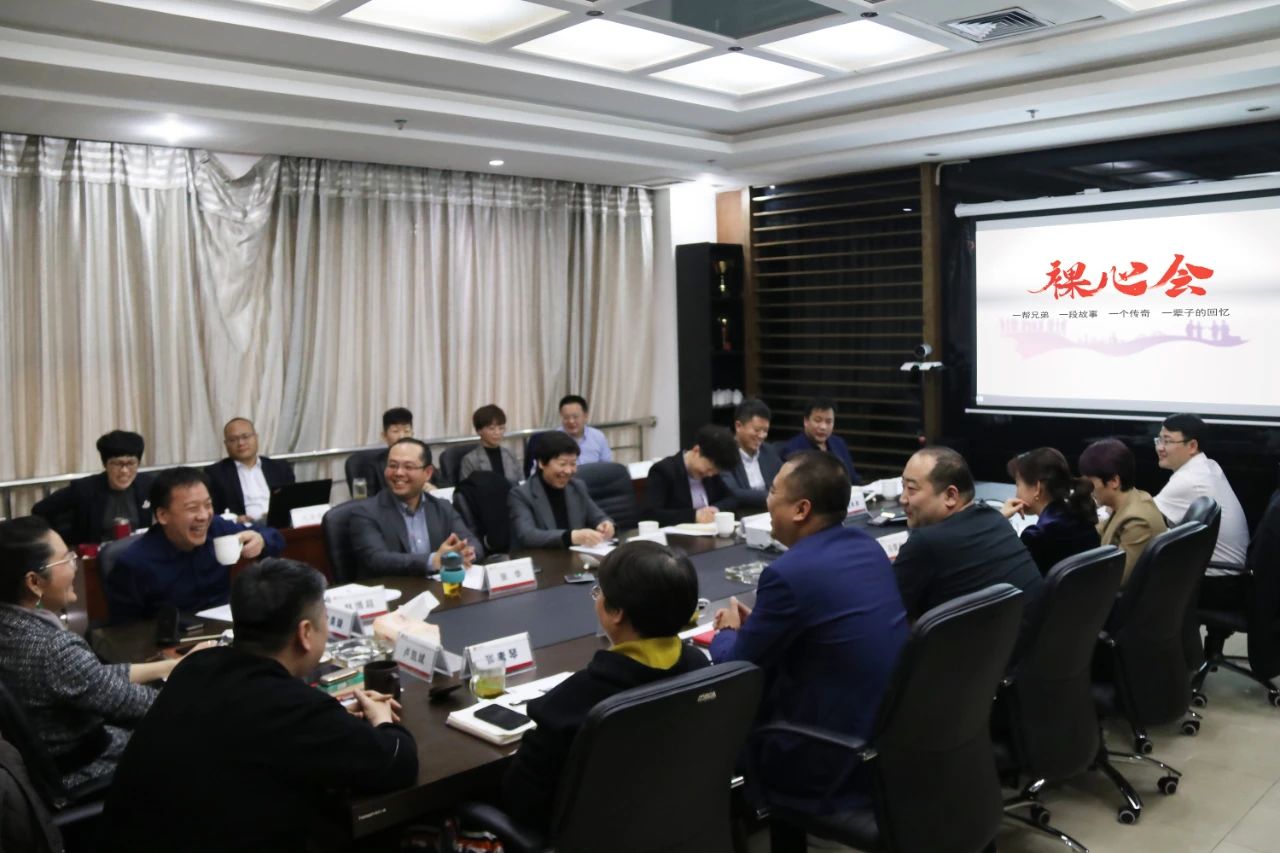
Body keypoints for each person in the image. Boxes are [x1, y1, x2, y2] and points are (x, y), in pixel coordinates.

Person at [100, 558, 417, 853]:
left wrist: (332, 719)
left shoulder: (196, 666)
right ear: (305, 633)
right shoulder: (293, 707)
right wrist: (382, 718)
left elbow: (248, 730)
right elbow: (398, 762)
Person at [709, 452, 908, 814]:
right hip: (888, 738)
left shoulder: (787, 574)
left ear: (801, 510)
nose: (767, 501)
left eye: (773, 491)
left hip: (827, 756)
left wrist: (727, 631)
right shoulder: (867, 546)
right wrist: (762, 625)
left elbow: (735, 667)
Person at [503, 541, 708, 831]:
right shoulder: (699, 667)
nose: (597, 598)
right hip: (680, 826)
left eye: (599, 591)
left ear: (616, 612)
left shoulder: (576, 700)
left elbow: (522, 802)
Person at [0, 517, 209, 789]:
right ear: (34, 581)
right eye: (66, 559)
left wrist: (170, 666)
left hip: (44, 765)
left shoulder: (10, 626)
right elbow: (144, 705)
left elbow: (92, 679)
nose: (75, 565)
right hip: (88, 771)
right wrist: (204, 686)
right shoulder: (53, 649)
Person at [105, 468, 284, 623]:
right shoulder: (135, 563)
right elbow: (125, 630)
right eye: (192, 508)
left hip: (226, 631)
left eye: (208, 505)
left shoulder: (217, 528)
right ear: (163, 515)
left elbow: (275, 537)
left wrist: (261, 540)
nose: (204, 516)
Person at [894, 446, 1043, 623]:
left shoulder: (925, 543)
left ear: (950, 496)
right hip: (1037, 636)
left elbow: (886, 611)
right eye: (902, 486)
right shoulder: (996, 518)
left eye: (911, 489)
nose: (902, 498)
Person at [1152, 413, 1251, 610]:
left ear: (1192, 446)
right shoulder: (1208, 466)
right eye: (1159, 440)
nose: (1160, 447)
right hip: (1233, 579)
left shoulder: (1189, 480)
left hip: (1215, 583)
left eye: (1167, 441)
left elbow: (1142, 516)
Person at [348, 438, 482, 577]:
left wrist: (466, 553)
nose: (399, 473)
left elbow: (472, 543)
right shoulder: (365, 512)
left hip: (436, 587)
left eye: (408, 467)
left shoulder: (442, 507)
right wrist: (433, 561)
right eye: (392, 466)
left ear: (428, 473)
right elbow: (376, 559)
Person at [32, 430, 154, 546]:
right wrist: (60, 543)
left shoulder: (147, 484)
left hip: (136, 552)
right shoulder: (84, 489)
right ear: (105, 464)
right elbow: (40, 510)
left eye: (131, 463)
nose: (124, 471)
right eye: (117, 463)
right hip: (97, 556)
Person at [1079, 438, 1167, 584]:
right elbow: (1101, 530)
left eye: (1090, 483)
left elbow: (1118, 579)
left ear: (1114, 481)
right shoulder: (1135, 498)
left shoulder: (1137, 521)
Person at [1001, 447, 1101, 575]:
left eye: (1018, 484)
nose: (1016, 493)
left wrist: (999, 520)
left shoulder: (1036, 537)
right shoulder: (1083, 518)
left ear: (1037, 488)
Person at [509, 431, 614, 549]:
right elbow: (528, 535)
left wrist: (605, 524)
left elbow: (597, 516)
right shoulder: (521, 495)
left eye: (573, 464)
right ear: (541, 463)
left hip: (576, 556)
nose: (568, 471)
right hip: (543, 557)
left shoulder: (577, 486)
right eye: (562, 464)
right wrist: (570, 537)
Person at [641, 424, 740, 526]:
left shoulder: (710, 474)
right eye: (709, 469)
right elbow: (651, 514)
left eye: (715, 472)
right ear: (696, 451)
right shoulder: (664, 471)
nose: (710, 475)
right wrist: (694, 516)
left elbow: (731, 499)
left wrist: (715, 509)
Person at [203, 417, 295, 522]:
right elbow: (211, 513)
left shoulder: (280, 468)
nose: (241, 443)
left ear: (256, 437)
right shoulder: (215, 474)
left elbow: (293, 503)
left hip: (280, 525)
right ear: (226, 444)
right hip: (242, 528)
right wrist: (235, 520)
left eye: (245, 437)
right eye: (233, 439)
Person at [720, 398, 783, 510]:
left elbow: (784, 481)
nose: (762, 436)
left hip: (771, 511)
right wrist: (775, 497)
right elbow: (734, 493)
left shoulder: (768, 451)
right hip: (741, 513)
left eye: (765, 431)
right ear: (738, 426)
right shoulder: (724, 453)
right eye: (757, 430)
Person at [780, 397, 859, 484]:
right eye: (818, 420)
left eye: (828, 422)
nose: (823, 427)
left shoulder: (839, 444)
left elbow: (853, 479)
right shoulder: (793, 450)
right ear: (806, 421)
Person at [346, 407, 418, 498]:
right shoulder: (372, 465)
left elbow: (434, 486)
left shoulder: (420, 459)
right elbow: (368, 500)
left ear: (412, 434)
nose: (402, 436)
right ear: (384, 436)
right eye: (395, 431)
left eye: (406, 431)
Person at [459, 404, 521, 484]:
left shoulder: (510, 454)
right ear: (479, 431)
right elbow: (466, 489)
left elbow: (522, 484)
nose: (497, 433)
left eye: (501, 428)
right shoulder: (470, 460)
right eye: (492, 428)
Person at [557, 394, 612, 463]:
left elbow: (607, 464)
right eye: (566, 417)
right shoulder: (553, 440)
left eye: (575, 417)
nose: (571, 421)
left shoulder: (598, 437)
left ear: (585, 416)